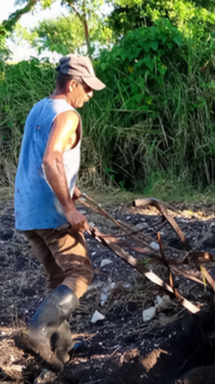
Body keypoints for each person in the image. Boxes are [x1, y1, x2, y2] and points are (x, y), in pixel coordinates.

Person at [15, 54, 105, 372]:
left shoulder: (39, 108)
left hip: (27, 211)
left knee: (57, 277)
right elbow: (51, 159)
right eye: (88, 89)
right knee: (80, 273)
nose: (90, 95)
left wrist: (69, 187)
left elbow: (42, 158)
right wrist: (69, 208)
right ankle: (38, 333)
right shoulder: (67, 115)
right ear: (72, 84)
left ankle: (60, 348)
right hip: (51, 213)